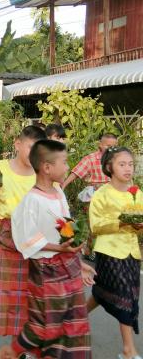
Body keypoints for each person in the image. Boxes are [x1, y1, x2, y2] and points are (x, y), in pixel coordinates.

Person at [0, 139, 92, 359]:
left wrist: (79, 262)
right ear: (47, 167)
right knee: (47, 324)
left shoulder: (59, 192)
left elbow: (66, 228)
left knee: (73, 320)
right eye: (65, 162)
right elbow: (28, 240)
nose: (68, 167)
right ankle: (12, 350)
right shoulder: (31, 200)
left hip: (66, 265)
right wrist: (60, 248)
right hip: (46, 270)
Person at [0, 125, 46, 342]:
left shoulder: (43, 175)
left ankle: (19, 343)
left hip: (28, 239)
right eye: (31, 147)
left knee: (20, 292)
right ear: (18, 145)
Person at [87, 147, 142, 359]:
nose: (128, 168)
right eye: (122, 164)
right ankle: (129, 350)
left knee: (103, 292)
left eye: (130, 164)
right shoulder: (101, 194)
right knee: (126, 298)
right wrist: (122, 222)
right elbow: (96, 226)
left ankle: (75, 317)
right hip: (109, 253)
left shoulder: (136, 193)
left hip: (131, 253)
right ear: (109, 167)